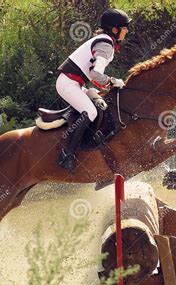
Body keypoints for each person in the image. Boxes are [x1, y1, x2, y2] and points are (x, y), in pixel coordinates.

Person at [55, 9, 131, 175]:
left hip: (74, 82)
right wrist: (112, 81)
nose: (127, 31)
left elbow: (91, 74)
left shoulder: (104, 41)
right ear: (115, 29)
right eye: (124, 28)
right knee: (90, 111)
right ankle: (68, 155)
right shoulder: (106, 45)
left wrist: (108, 86)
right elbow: (96, 74)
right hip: (68, 83)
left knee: (100, 104)